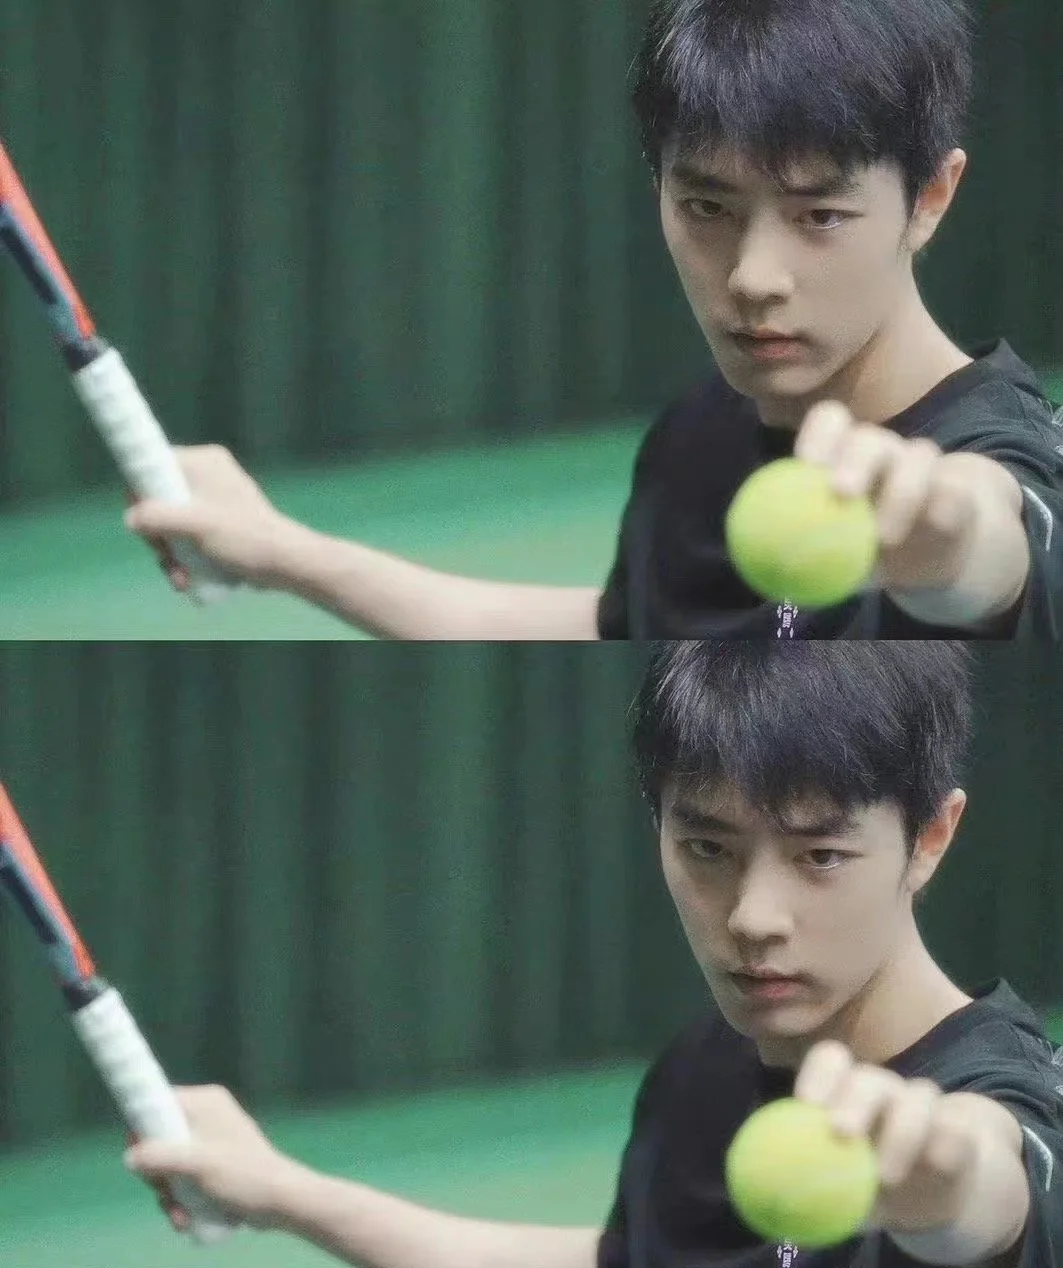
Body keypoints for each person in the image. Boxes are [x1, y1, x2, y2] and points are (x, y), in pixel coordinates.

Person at [126, 0, 1063, 640]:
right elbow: (604, 627)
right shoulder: (698, 435)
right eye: (706, 207)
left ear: (929, 197)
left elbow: (993, 540)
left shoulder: (1004, 461)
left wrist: (941, 540)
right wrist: (280, 552)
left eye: (818, 215)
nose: (752, 277)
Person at [127, 642, 1063, 1266]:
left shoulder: (1006, 1113)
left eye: (819, 855)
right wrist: (284, 1194)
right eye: (707, 848)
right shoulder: (706, 1074)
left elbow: (991, 1185)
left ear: (929, 838)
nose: (752, 917)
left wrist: (940, 1182)